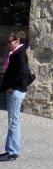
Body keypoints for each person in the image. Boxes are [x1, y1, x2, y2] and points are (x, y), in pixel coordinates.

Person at [0, 33, 31, 161]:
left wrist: (13, 87)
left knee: (14, 122)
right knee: (13, 121)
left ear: (17, 40)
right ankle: (10, 150)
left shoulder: (19, 54)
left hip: (16, 92)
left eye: (10, 41)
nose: (8, 44)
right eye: (8, 42)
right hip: (15, 91)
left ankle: (12, 152)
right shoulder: (17, 53)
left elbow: (23, 74)